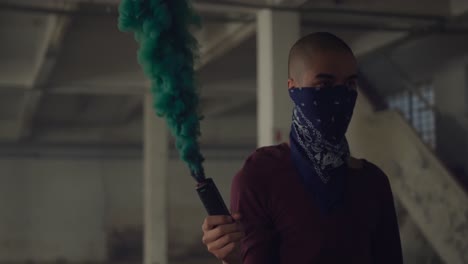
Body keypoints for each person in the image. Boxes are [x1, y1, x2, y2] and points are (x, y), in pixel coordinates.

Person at [201, 32, 403, 264]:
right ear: (293, 88)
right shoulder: (260, 176)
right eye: (324, 83)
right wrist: (232, 258)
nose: (340, 96)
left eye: (349, 84)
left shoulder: (373, 181)